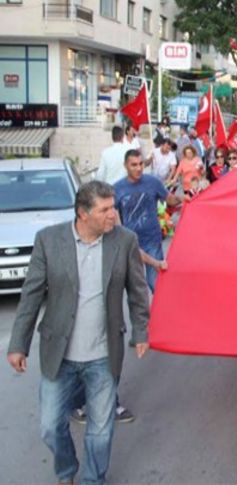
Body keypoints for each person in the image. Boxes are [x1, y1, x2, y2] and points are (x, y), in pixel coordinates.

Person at [7, 181, 150, 485]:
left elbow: (138, 292)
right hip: (60, 356)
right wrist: (18, 343)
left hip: (103, 355)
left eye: (113, 207)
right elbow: (31, 296)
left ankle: (93, 480)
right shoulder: (49, 240)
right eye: (105, 209)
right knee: (49, 426)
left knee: (100, 430)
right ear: (83, 214)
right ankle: (66, 469)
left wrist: (140, 331)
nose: (114, 214)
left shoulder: (125, 241)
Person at [115, 149, 181, 291]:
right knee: (135, 287)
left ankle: (162, 312)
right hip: (131, 244)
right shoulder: (117, 189)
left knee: (156, 284)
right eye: (134, 165)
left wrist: (185, 198)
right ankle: (140, 313)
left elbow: (169, 199)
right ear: (125, 165)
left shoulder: (153, 182)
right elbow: (113, 216)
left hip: (152, 240)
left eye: (141, 164)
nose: (139, 168)